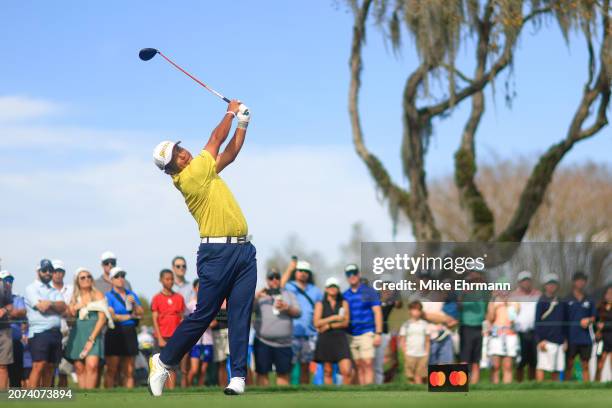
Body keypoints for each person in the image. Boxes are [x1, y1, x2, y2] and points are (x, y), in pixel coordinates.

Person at [147, 99, 255, 397]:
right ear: (170, 170)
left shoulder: (202, 170)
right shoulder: (190, 177)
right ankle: (164, 361)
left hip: (244, 251)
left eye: (180, 149)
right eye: (176, 157)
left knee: (240, 314)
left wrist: (243, 122)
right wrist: (232, 111)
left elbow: (230, 153)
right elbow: (216, 139)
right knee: (204, 314)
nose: (183, 154)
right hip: (217, 254)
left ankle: (238, 378)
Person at [253, 269, 301, 386]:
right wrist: (256, 297)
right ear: (267, 280)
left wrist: (287, 308)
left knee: (283, 374)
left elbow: (298, 312)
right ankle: (262, 403)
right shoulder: (260, 295)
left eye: (277, 277)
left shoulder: (289, 294)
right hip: (263, 342)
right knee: (262, 373)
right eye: (271, 277)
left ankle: (283, 403)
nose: (274, 279)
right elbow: (247, 310)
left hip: (284, 343)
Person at [64, 267, 110, 389]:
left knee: (92, 365)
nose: (86, 279)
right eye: (83, 277)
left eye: (89, 276)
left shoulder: (97, 294)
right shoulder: (74, 297)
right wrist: (74, 308)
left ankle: (90, 394)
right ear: (77, 281)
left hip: (93, 334)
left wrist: (92, 338)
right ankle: (84, 398)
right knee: (79, 367)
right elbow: (69, 315)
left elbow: (102, 318)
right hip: (77, 335)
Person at [24, 259, 66, 388]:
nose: (48, 273)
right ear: (38, 271)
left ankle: (45, 398)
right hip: (39, 332)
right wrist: (54, 305)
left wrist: (50, 303)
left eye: (50, 270)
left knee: (50, 367)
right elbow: (41, 307)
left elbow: (63, 307)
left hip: (55, 333)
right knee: (39, 365)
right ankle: (31, 398)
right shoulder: (31, 288)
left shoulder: (54, 290)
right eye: (44, 270)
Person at [281, 259, 323, 384]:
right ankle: (288, 394)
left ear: (309, 274)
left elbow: (319, 309)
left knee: (306, 366)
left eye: (306, 271)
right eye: (300, 271)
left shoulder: (316, 290)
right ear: (295, 272)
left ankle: (304, 392)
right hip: (291, 333)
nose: (303, 273)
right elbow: (280, 286)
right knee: (289, 366)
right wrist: (290, 268)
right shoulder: (289, 286)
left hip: (309, 334)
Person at [343, 264, 382, 385]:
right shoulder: (345, 295)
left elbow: (377, 312)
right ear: (346, 278)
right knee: (358, 365)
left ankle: (369, 392)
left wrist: (378, 333)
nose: (352, 276)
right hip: (351, 334)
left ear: (359, 274)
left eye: (354, 273)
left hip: (367, 331)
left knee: (368, 363)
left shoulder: (369, 291)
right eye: (349, 274)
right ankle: (362, 392)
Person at [104, 266, 143, 388]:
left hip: (129, 331)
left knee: (129, 370)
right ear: (111, 280)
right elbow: (113, 316)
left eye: (122, 276)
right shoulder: (108, 296)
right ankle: (107, 398)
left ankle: (129, 399)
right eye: (117, 276)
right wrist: (131, 316)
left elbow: (141, 312)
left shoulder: (131, 294)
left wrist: (135, 304)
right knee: (112, 369)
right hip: (114, 331)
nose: (120, 278)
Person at [312, 277, 352, 385]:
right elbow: (316, 323)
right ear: (326, 289)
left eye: (335, 286)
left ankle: (347, 397)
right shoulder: (320, 304)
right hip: (325, 339)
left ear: (338, 289)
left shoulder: (344, 303)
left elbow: (345, 322)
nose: (332, 288)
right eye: (330, 286)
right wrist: (334, 318)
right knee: (328, 371)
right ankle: (330, 397)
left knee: (346, 371)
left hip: (340, 339)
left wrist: (329, 325)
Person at [151, 269, 186, 389]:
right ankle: (158, 390)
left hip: (175, 337)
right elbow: (154, 319)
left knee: (173, 366)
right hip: (161, 337)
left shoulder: (179, 298)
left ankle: (171, 392)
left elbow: (182, 318)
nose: (170, 281)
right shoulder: (156, 298)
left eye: (172, 279)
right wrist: (160, 338)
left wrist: (180, 336)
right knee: (160, 367)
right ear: (161, 280)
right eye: (167, 279)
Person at [535, 273, 567, 382]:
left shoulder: (562, 302)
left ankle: (556, 392)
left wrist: (565, 340)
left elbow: (565, 322)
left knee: (557, 369)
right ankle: (539, 392)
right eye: (549, 284)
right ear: (545, 286)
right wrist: (539, 340)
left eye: (554, 284)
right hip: (546, 340)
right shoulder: (541, 301)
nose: (551, 286)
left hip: (559, 341)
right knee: (542, 367)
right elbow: (537, 322)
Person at [458, 270, 488, 384]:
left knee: (476, 360)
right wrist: (464, 292)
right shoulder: (462, 290)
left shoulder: (484, 291)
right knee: (465, 358)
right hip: (466, 327)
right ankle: (462, 384)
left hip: (480, 328)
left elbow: (488, 306)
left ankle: (475, 385)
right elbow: (458, 305)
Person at [565, 271, 596, 382]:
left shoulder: (590, 299)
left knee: (585, 365)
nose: (581, 283)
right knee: (569, 364)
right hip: (571, 337)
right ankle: (565, 389)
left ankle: (587, 387)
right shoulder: (567, 299)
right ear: (574, 282)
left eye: (583, 280)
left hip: (585, 338)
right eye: (578, 280)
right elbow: (563, 320)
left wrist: (589, 320)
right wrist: (564, 339)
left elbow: (594, 317)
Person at [511, 270, 541, 382]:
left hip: (534, 332)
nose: (526, 283)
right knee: (520, 361)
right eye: (524, 281)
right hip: (519, 333)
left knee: (533, 361)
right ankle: (519, 384)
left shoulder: (538, 295)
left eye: (528, 280)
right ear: (519, 283)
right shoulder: (513, 296)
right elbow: (511, 314)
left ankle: (531, 384)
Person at [486, 288, 519, 384]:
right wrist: (494, 303)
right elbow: (490, 318)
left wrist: (507, 304)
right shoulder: (493, 302)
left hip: (510, 336)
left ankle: (507, 388)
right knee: (495, 365)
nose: (503, 292)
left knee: (508, 365)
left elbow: (513, 319)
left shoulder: (514, 302)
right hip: (496, 335)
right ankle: (494, 388)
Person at [186, 279, 215, 386]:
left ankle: (200, 388)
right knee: (194, 369)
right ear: (194, 288)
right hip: (195, 342)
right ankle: (187, 388)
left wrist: (206, 323)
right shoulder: (190, 305)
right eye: (199, 287)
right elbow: (186, 322)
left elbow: (214, 322)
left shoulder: (210, 303)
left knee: (203, 370)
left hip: (207, 340)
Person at [170, 256, 193, 387]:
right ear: (173, 268)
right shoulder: (167, 284)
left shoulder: (191, 287)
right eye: (178, 266)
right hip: (170, 329)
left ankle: (185, 391)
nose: (181, 269)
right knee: (170, 366)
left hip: (186, 327)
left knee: (185, 367)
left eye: (184, 266)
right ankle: (170, 394)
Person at [50, 259, 73, 387]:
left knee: (64, 371)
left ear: (63, 273)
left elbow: (72, 310)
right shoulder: (46, 289)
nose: (58, 274)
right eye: (55, 271)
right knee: (51, 369)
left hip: (68, 334)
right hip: (52, 333)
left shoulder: (71, 289)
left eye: (60, 271)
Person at [2, 271, 27, 388]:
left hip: (15, 341)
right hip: (3, 337)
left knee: (16, 376)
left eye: (10, 280)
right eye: (5, 280)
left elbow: (22, 311)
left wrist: (7, 312)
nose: (8, 283)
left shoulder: (17, 298)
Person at [375, 284, 402, 384]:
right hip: (371, 333)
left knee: (380, 361)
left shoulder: (391, 302)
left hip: (384, 334)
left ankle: (379, 384)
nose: (386, 290)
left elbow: (399, 304)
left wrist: (396, 291)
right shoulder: (374, 300)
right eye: (384, 288)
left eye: (388, 288)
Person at [398, 301, 430, 384]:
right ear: (409, 311)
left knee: (419, 376)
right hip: (410, 354)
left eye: (418, 310)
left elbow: (427, 340)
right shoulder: (406, 325)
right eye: (414, 309)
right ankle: (411, 393)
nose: (416, 312)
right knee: (410, 377)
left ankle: (419, 394)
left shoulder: (424, 324)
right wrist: (405, 353)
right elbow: (402, 340)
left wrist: (427, 353)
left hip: (422, 354)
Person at [0, 270, 14, 390]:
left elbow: (10, 305)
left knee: (3, 366)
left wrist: (3, 310)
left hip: (3, 331)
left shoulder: (4, 285)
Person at [595, 285, 612, 381]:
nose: (610, 296)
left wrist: (605, 326)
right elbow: (595, 321)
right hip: (602, 340)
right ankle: (596, 385)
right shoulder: (599, 307)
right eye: (608, 293)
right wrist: (597, 328)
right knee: (600, 364)